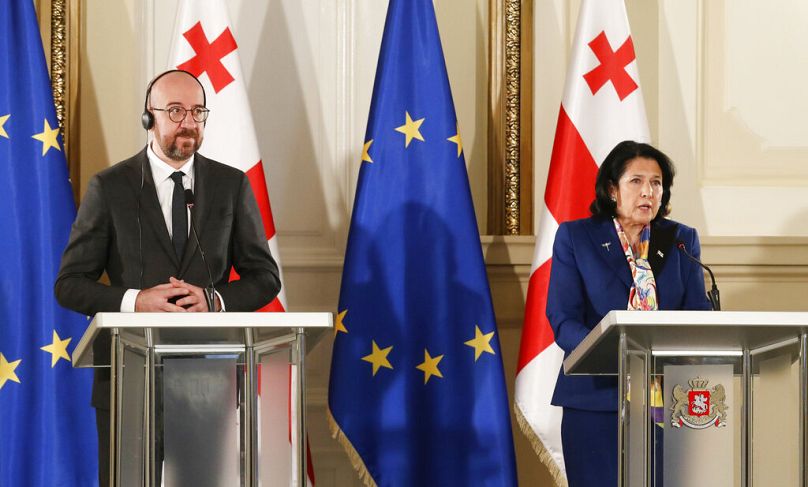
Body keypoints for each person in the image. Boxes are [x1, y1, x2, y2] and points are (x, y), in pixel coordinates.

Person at [54, 69, 281, 486]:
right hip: (127, 378)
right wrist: (135, 301)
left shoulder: (231, 185)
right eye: (175, 111)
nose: (188, 123)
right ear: (149, 118)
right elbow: (70, 283)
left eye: (197, 112)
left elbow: (265, 277)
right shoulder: (110, 186)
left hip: (208, 383)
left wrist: (213, 300)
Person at [546, 140, 712, 487]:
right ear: (612, 189)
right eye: (636, 181)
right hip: (595, 397)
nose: (647, 191)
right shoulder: (577, 237)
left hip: (669, 397)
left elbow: (697, 313)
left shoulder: (682, 239)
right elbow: (564, 320)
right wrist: (612, 351)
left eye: (656, 182)